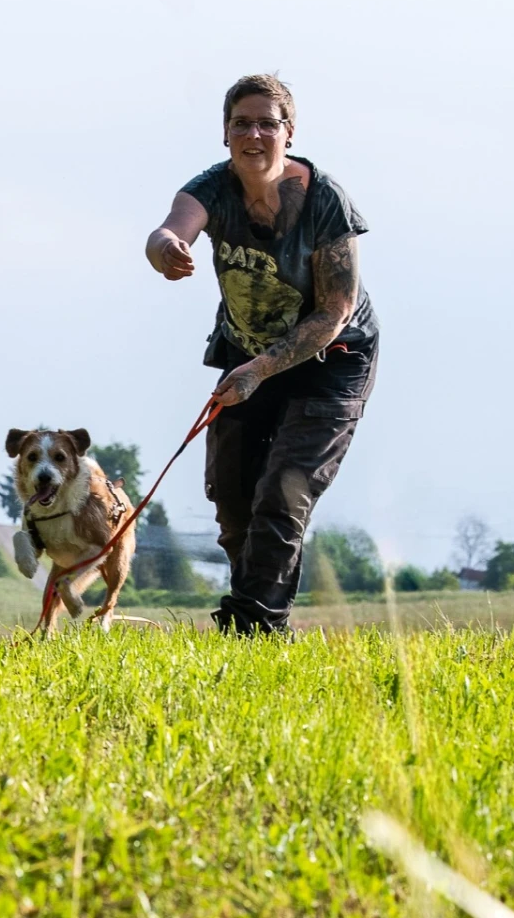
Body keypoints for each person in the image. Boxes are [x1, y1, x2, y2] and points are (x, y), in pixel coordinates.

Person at [144, 74, 378, 634]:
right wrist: (166, 250)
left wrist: (260, 371)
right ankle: (255, 611)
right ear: (225, 135)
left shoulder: (326, 201)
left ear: (288, 133)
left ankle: (253, 627)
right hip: (246, 349)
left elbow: (333, 312)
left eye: (266, 123)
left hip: (332, 358)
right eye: (241, 123)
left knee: (283, 489)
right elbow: (169, 229)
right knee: (232, 496)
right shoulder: (210, 189)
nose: (254, 133)